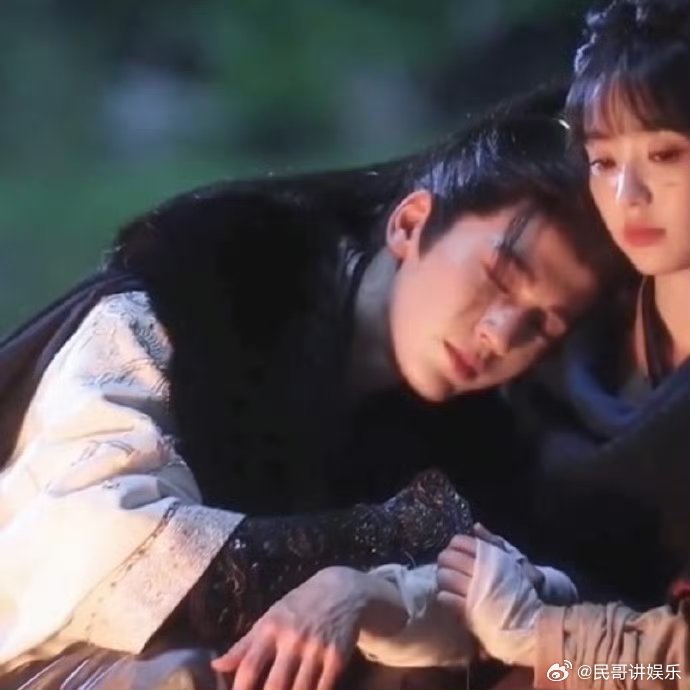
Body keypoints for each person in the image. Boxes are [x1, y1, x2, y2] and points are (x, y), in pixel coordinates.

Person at [0, 106, 618, 689]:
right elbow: (100, 540)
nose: (502, 335)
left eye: (543, 324)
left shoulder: (477, 453)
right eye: (499, 276)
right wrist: (380, 544)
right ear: (410, 223)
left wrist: (360, 592)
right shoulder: (180, 305)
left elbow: (541, 611)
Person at [213, 1, 690, 688]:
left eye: (666, 154)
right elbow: (494, 560)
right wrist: (370, 592)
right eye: (603, 160)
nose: (627, 193)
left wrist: (543, 638)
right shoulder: (577, 342)